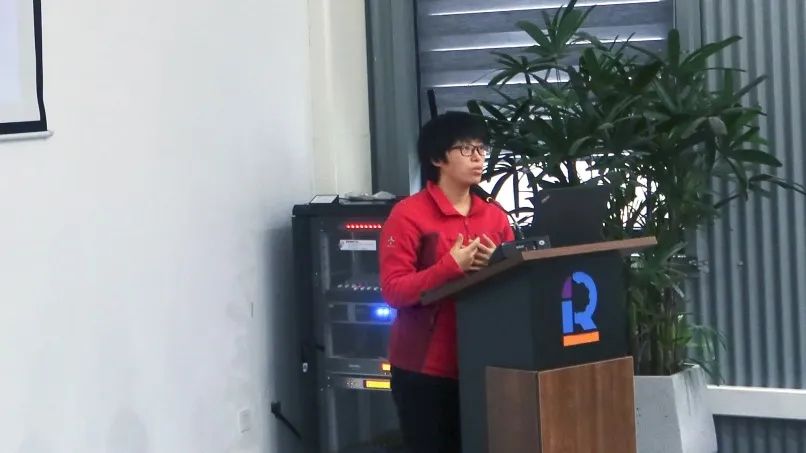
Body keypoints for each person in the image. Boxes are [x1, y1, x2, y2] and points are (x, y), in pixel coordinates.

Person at [379, 111, 515, 452]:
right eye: (466, 149)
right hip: (425, 368)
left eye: (482, 148)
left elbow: (514, 284)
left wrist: (498, 264)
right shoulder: (408, 214)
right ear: (437, 158)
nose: (478, 158)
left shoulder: (495, 215)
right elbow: (394, 290)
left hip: (487, 362)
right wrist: (449, 267)